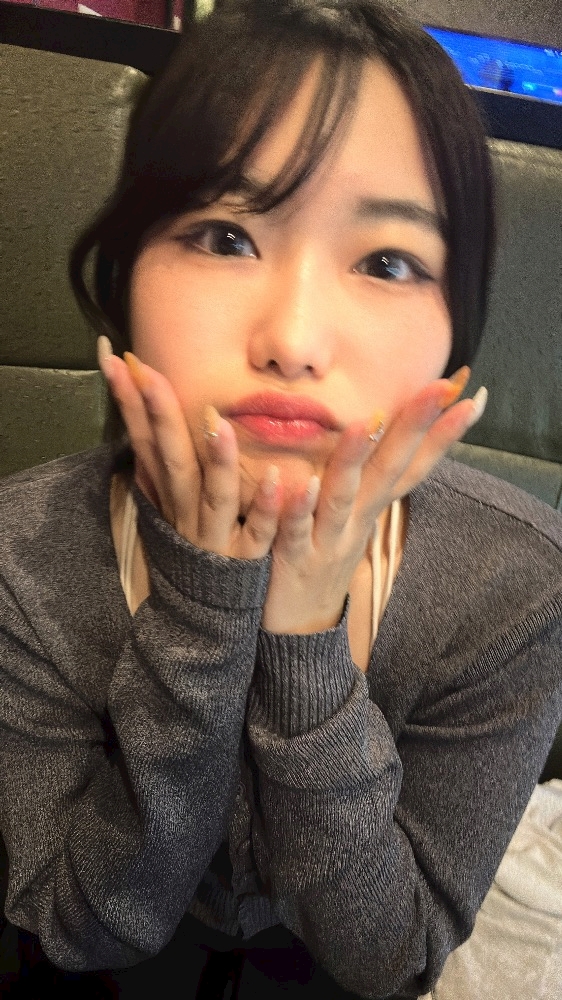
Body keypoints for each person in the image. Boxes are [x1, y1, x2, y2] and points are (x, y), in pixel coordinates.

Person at [0, 1, 560, 997]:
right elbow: (85, 926)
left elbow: (392, 956)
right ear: (125, 277)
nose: (293, 340)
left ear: (455, 331)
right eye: (224, 237)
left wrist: (305, 640)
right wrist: (203, 611)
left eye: (387, 261)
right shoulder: (22, 556)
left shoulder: (518, 585)